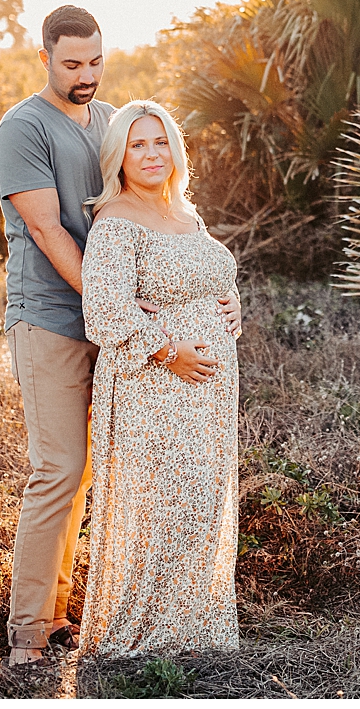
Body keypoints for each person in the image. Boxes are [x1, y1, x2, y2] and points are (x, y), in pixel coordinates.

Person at [0, 8, 236, 667]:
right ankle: (30, 633)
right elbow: (48, 230)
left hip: (120, 333)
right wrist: (111, 298)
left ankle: (71, 613)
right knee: (59, 469)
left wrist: (206, 293)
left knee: (102, 468)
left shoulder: (109, 122)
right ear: (45, 57)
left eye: (96, 61)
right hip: (50, 319)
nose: (87, 75)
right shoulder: (23, 127)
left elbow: (156, 212)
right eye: (73, 64)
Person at [78, 100, 241, 657]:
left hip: (210, 391)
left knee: (202, 500)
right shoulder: (115, 221)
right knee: (163, 503)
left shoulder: (187, 215)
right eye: (137, 145)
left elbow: (210, 280)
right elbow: (105, 312)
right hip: (155, 390)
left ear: (175, 150)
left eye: (160, 142)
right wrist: (170, 351)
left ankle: (193, 624)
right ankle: (151, 634)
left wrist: (233, 306)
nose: (151, 155)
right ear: (118, 156)